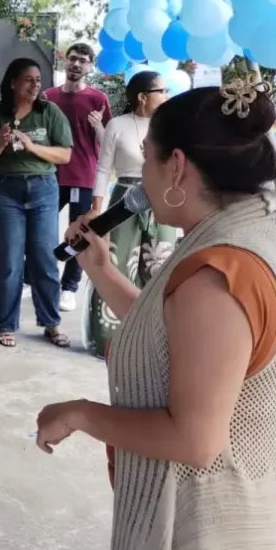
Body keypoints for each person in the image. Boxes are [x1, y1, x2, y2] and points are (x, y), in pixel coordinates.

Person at [35, 83, 276, 550]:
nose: (144, 180)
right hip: (239, 514)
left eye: (149, 161)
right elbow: (181, 340)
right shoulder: (250, 238)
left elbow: (194, 438)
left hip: (210, 533)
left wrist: (79, 414)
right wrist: (103, 271)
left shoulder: (220, 270)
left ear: (178, 166)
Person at [0, 57, 73, 348]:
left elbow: (65, 155)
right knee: (9, 261)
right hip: (4, 191)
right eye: (28, 79)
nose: (35, 85)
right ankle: (6, 325)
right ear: (13, 83)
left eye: (38, 80)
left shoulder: (49, 112)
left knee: (45, 258)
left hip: (43, 190)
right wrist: (0, 142)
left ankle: (51, 322)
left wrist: (32, 146)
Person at [85, 71, 176, 358]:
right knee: (117, 263)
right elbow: (103, 169)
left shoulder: (171, 126)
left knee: (160, 265)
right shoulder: (117, 125)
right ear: (142, 96)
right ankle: (110, 340)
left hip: (161, 200)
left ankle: (157, 339)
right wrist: (96, 209)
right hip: (124, 199)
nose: (167, 96)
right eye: (162, 91)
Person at [42, 43, 112, 312]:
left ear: (89, 66)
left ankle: (69, 287)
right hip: (50, 175)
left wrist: (98, 126)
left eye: (83, 60)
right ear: (65, 61)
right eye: (73, 59)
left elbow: (107, 144)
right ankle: (34, 275)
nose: (76, 64)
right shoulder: (48, 96)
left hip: (83, 177)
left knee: (79, 235)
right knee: (40, 230)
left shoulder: (98, 99)